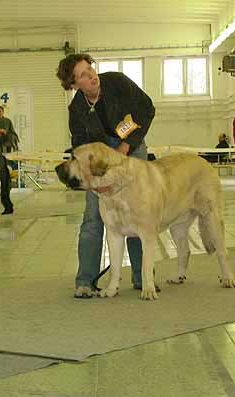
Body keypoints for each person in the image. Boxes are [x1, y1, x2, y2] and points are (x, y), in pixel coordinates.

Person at [56, 53, 156, 298]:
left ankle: (141, 278)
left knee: (137, 214)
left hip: (131, 147)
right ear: (73, 85)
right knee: (93, 217)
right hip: (98, 160)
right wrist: (91, 182)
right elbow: (80, 146)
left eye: (89, 68)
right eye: (82, 75)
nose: (91, 75)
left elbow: (146, 109)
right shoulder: (76, 110)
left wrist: (126, 146)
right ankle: (85, 281)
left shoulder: (118, 83)